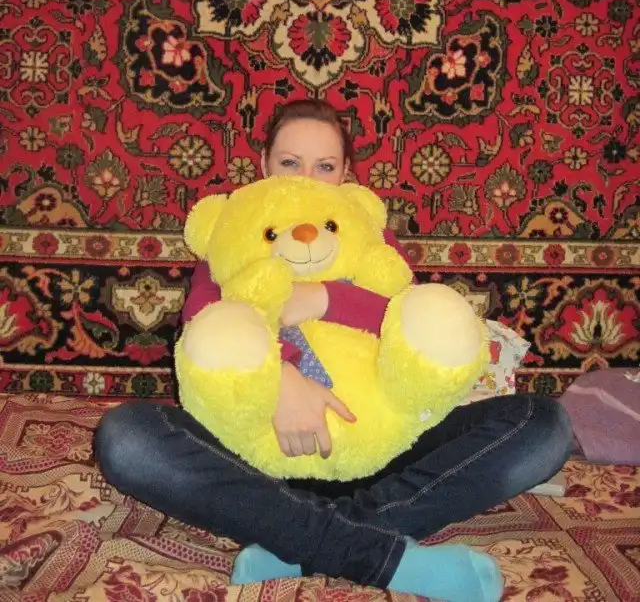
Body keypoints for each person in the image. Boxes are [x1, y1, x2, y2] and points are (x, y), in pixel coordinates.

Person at [95, 99, 573, 602]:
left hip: (384, 451)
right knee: (127, 437)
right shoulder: (233, 232)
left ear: (346, 173)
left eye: (324, 166)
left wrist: (322, 298)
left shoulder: (368, 234)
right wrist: (280, 376)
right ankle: (374, 552)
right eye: (290, 162)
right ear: (264, 164)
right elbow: (203, 329)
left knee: (544, 425)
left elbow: (407, 320)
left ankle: (298, 538)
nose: (307, 178)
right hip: (257, 458)